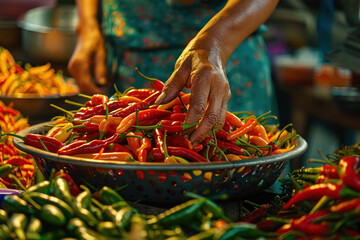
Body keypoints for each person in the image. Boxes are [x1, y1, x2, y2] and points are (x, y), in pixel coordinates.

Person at [68, 0, 279, 146]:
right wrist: (87, 25)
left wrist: (216, 42)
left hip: (224, 58)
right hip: (127, 58)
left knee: (231, 158)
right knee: (126, 152)